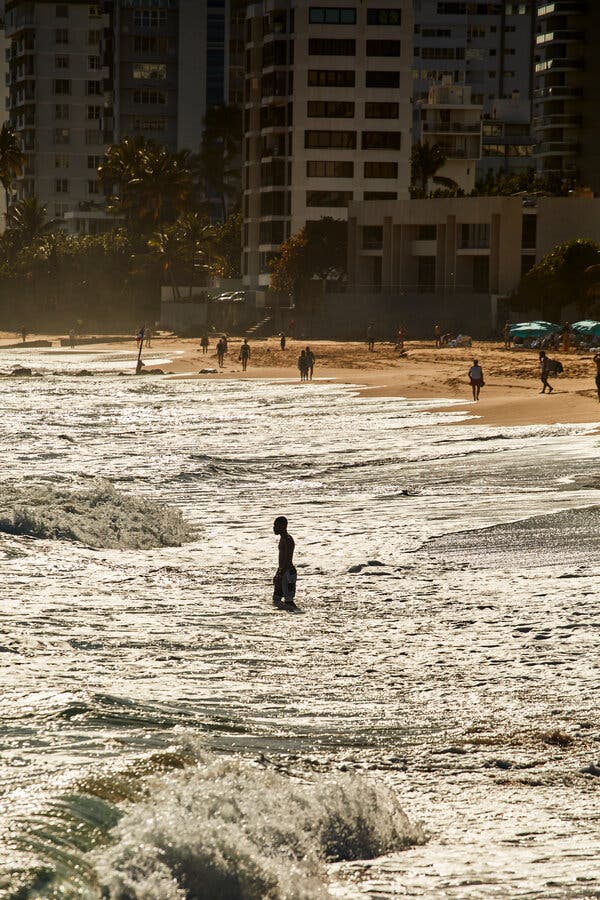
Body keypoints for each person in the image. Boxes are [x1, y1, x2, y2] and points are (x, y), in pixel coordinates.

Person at [272, 515, 296, 605]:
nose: (274, 528)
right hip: (282, 571)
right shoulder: (282, 539)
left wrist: (281, 573)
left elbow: (287, 559)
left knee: (289, 601)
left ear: (283, 526)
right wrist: (278, 572)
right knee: (276, 599)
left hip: (288, 572)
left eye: (276, 526)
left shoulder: (287, 539)